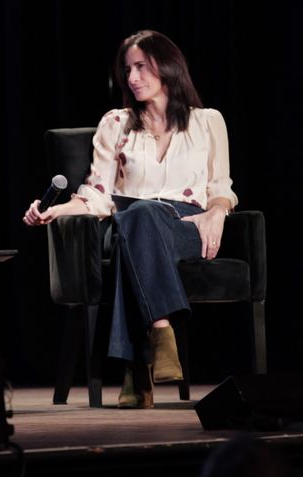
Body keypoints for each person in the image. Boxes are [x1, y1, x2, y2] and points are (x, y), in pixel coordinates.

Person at [23, 30, 237, 408]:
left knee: (134, 235)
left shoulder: (207, 121)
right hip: (124, 219)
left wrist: (217, 212)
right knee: (138, 215)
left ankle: (137, 370)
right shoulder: (116, 123)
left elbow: (221, 185)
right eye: (128, 70)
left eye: (141, 67)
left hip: (186, 224)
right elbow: (99, 195)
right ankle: (160, 328)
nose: (132, 78)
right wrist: (57, 210)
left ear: (168, 67)